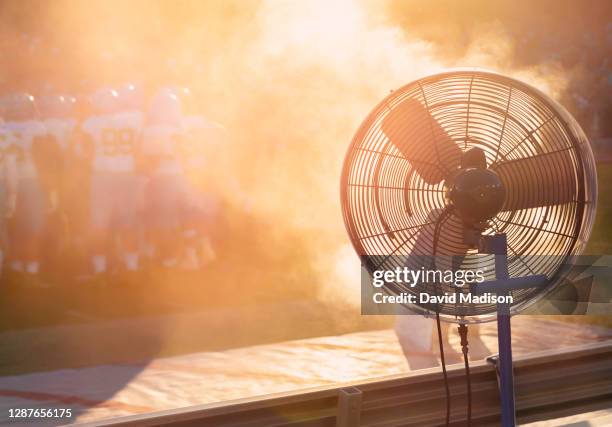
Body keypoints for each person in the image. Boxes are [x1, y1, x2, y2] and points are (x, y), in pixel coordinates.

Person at [80, 87, 144, 281]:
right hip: (128, 174)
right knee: (129, 223)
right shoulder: (135, 119)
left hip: (103, 176)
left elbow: (83, 151)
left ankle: (100, 269)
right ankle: (132, 267)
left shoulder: (91, 123)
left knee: (99, 224)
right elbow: (139, 146)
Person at [3, 93, 59, 287]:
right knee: (33, 228)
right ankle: (31, 270)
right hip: (31, 180)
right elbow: (46, 160)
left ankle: (16, 268)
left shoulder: (3, 127)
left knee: (14, 228)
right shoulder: (38, 128)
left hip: (7, 182)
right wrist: (51, 187)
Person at [140, 89, 189, 269]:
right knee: (172, 218)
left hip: (162, 178)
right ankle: (170, 254)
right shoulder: (180, 128)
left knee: (160, 218)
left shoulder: (154, 129)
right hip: (176, 176)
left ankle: (162, 254)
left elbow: (149, 158)